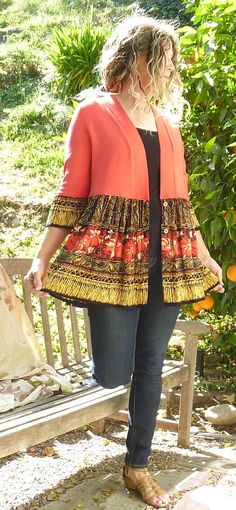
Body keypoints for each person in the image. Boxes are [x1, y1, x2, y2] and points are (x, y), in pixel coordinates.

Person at [24, 15, 225, 508]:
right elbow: (71, 191)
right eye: (159, 57)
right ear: (133, 57)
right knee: (113, 372)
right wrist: (42, 257)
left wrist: (205, 255)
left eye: (170, 60)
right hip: (114, 264)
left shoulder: (168, 125)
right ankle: (93, 411)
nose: (168, 67)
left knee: (151, 363)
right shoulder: (94, 112)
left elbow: (182, 206)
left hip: (169, 262)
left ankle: (137, 465)